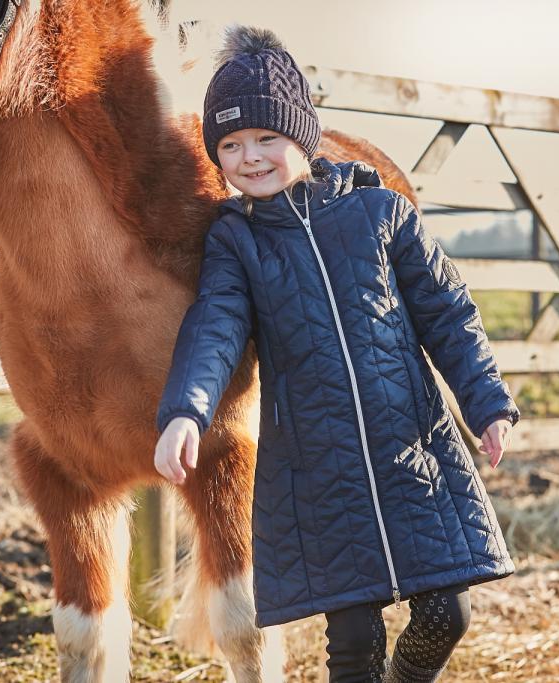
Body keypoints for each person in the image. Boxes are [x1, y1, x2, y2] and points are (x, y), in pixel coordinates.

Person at [154, 24, 520, 683]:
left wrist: (487, 400)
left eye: (267, 136)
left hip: (413, 451)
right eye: (231, 145)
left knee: (448, 613)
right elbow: (214, 326)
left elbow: (448, 312)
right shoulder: (237, 242)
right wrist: (186, 409)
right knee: (352, 644)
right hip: (319, 476)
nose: (250, 156)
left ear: (302, 133)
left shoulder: (380, 213)